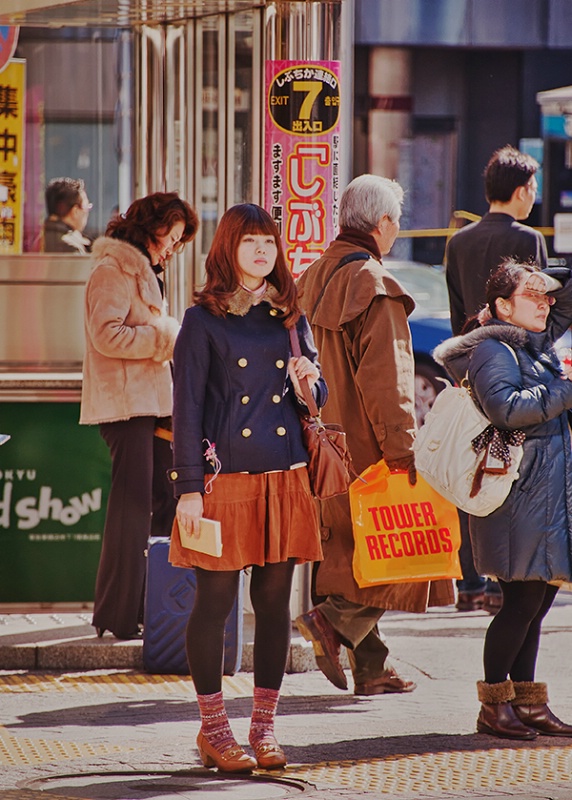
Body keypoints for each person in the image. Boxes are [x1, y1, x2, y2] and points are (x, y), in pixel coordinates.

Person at [168, 203, 327, 773]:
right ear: (227, 248)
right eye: (251, 241)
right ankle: (214, 729)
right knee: (213, 602)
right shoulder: (203, 319)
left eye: (270, 242)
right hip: (222, 482)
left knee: (274, 605)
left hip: (284, 475)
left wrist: (312, 382)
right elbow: (185, 409)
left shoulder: (289, 315)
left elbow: (314, 401)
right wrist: (188, 488)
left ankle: (263, 730)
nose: (263, 251)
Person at [295, 174, 454, 697]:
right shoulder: (375, 283)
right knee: (401, 549)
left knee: (348, 553)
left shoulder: (314, 275)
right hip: (365, 444)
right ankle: (331, 621)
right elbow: (390, 382)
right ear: (382, 223)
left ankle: (371, 667)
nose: (397, 230)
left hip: (321, 444)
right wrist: (404, 450)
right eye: (397, 222)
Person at [434, 259, 572, 741]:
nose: (545, 303)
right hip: (517, 499)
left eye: (545, 295)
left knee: (537, 602)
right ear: (501, 307)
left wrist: (550, 275)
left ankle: (528, 702)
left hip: (541, 496)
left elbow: (566, 299)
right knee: (520, 603)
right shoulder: (495, 349)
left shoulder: (529, 342)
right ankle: (494, 704)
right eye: (532, 295)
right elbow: (507, 410)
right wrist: (564, 389)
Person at [80, 191, 199, 640]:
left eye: (179, 240)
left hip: (150, 406)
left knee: (163, 501)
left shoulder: (144, 270)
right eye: (172, 235)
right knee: (131, 509)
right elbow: (106, 335)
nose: (173, 246)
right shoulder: (113, 269)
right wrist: (163, 338)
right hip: (125, 406)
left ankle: (151, 606)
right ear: (150, 226)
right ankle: (117, 615)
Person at [445, 145, 548, 614]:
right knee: (511, 471)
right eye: (533, 187)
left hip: (472, 371)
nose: (535, 195)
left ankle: (468, 581)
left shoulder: (458, 242)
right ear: (521, 190)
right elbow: (538, 314)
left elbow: (454, 318)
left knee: (471, 469)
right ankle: (501, 583)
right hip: (516, 372)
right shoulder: (528, 240)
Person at [43, 177, 93, 254]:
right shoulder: (73, 248)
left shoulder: (36, 242)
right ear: (75, 211)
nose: (87, 213)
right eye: (87, 207)